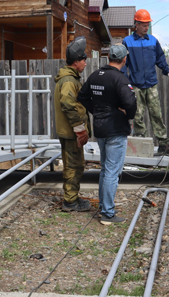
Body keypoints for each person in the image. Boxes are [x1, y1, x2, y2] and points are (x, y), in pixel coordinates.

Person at [78, 44, 137, 225]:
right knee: (112, 172)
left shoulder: (95, 75)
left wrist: (97, 110)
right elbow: (131, 103)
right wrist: (127, 114)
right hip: (115, 130)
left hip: (100, 129)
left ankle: (105, 208)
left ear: (109, 57)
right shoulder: (120, 79)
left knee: (105, 169)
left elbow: (82, 96)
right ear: (124, 59)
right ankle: (107, 213)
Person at [122, 9, 169, 156]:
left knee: (156, 114)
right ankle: (142, 144)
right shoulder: (127, 42)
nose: (147, 27)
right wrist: (124, 83)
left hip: (151, 85)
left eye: (148, 24)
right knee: (137, 116)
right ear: (137, 24)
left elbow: (160, 59)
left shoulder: (153, 41)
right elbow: (123, 64)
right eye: (144, 25)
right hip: (136, 85)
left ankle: (163, 145)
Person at [53, 36, 92, 212]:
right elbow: (68, 105)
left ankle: (73, 197)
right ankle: (70, 202)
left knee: (76, 164)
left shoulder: (70, 78)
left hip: (70, 131)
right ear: (76, 62)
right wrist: (79, 130)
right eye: (83, 59)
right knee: (72, 165)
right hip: (70, 132)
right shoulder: (69, 81)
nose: (85, 62)